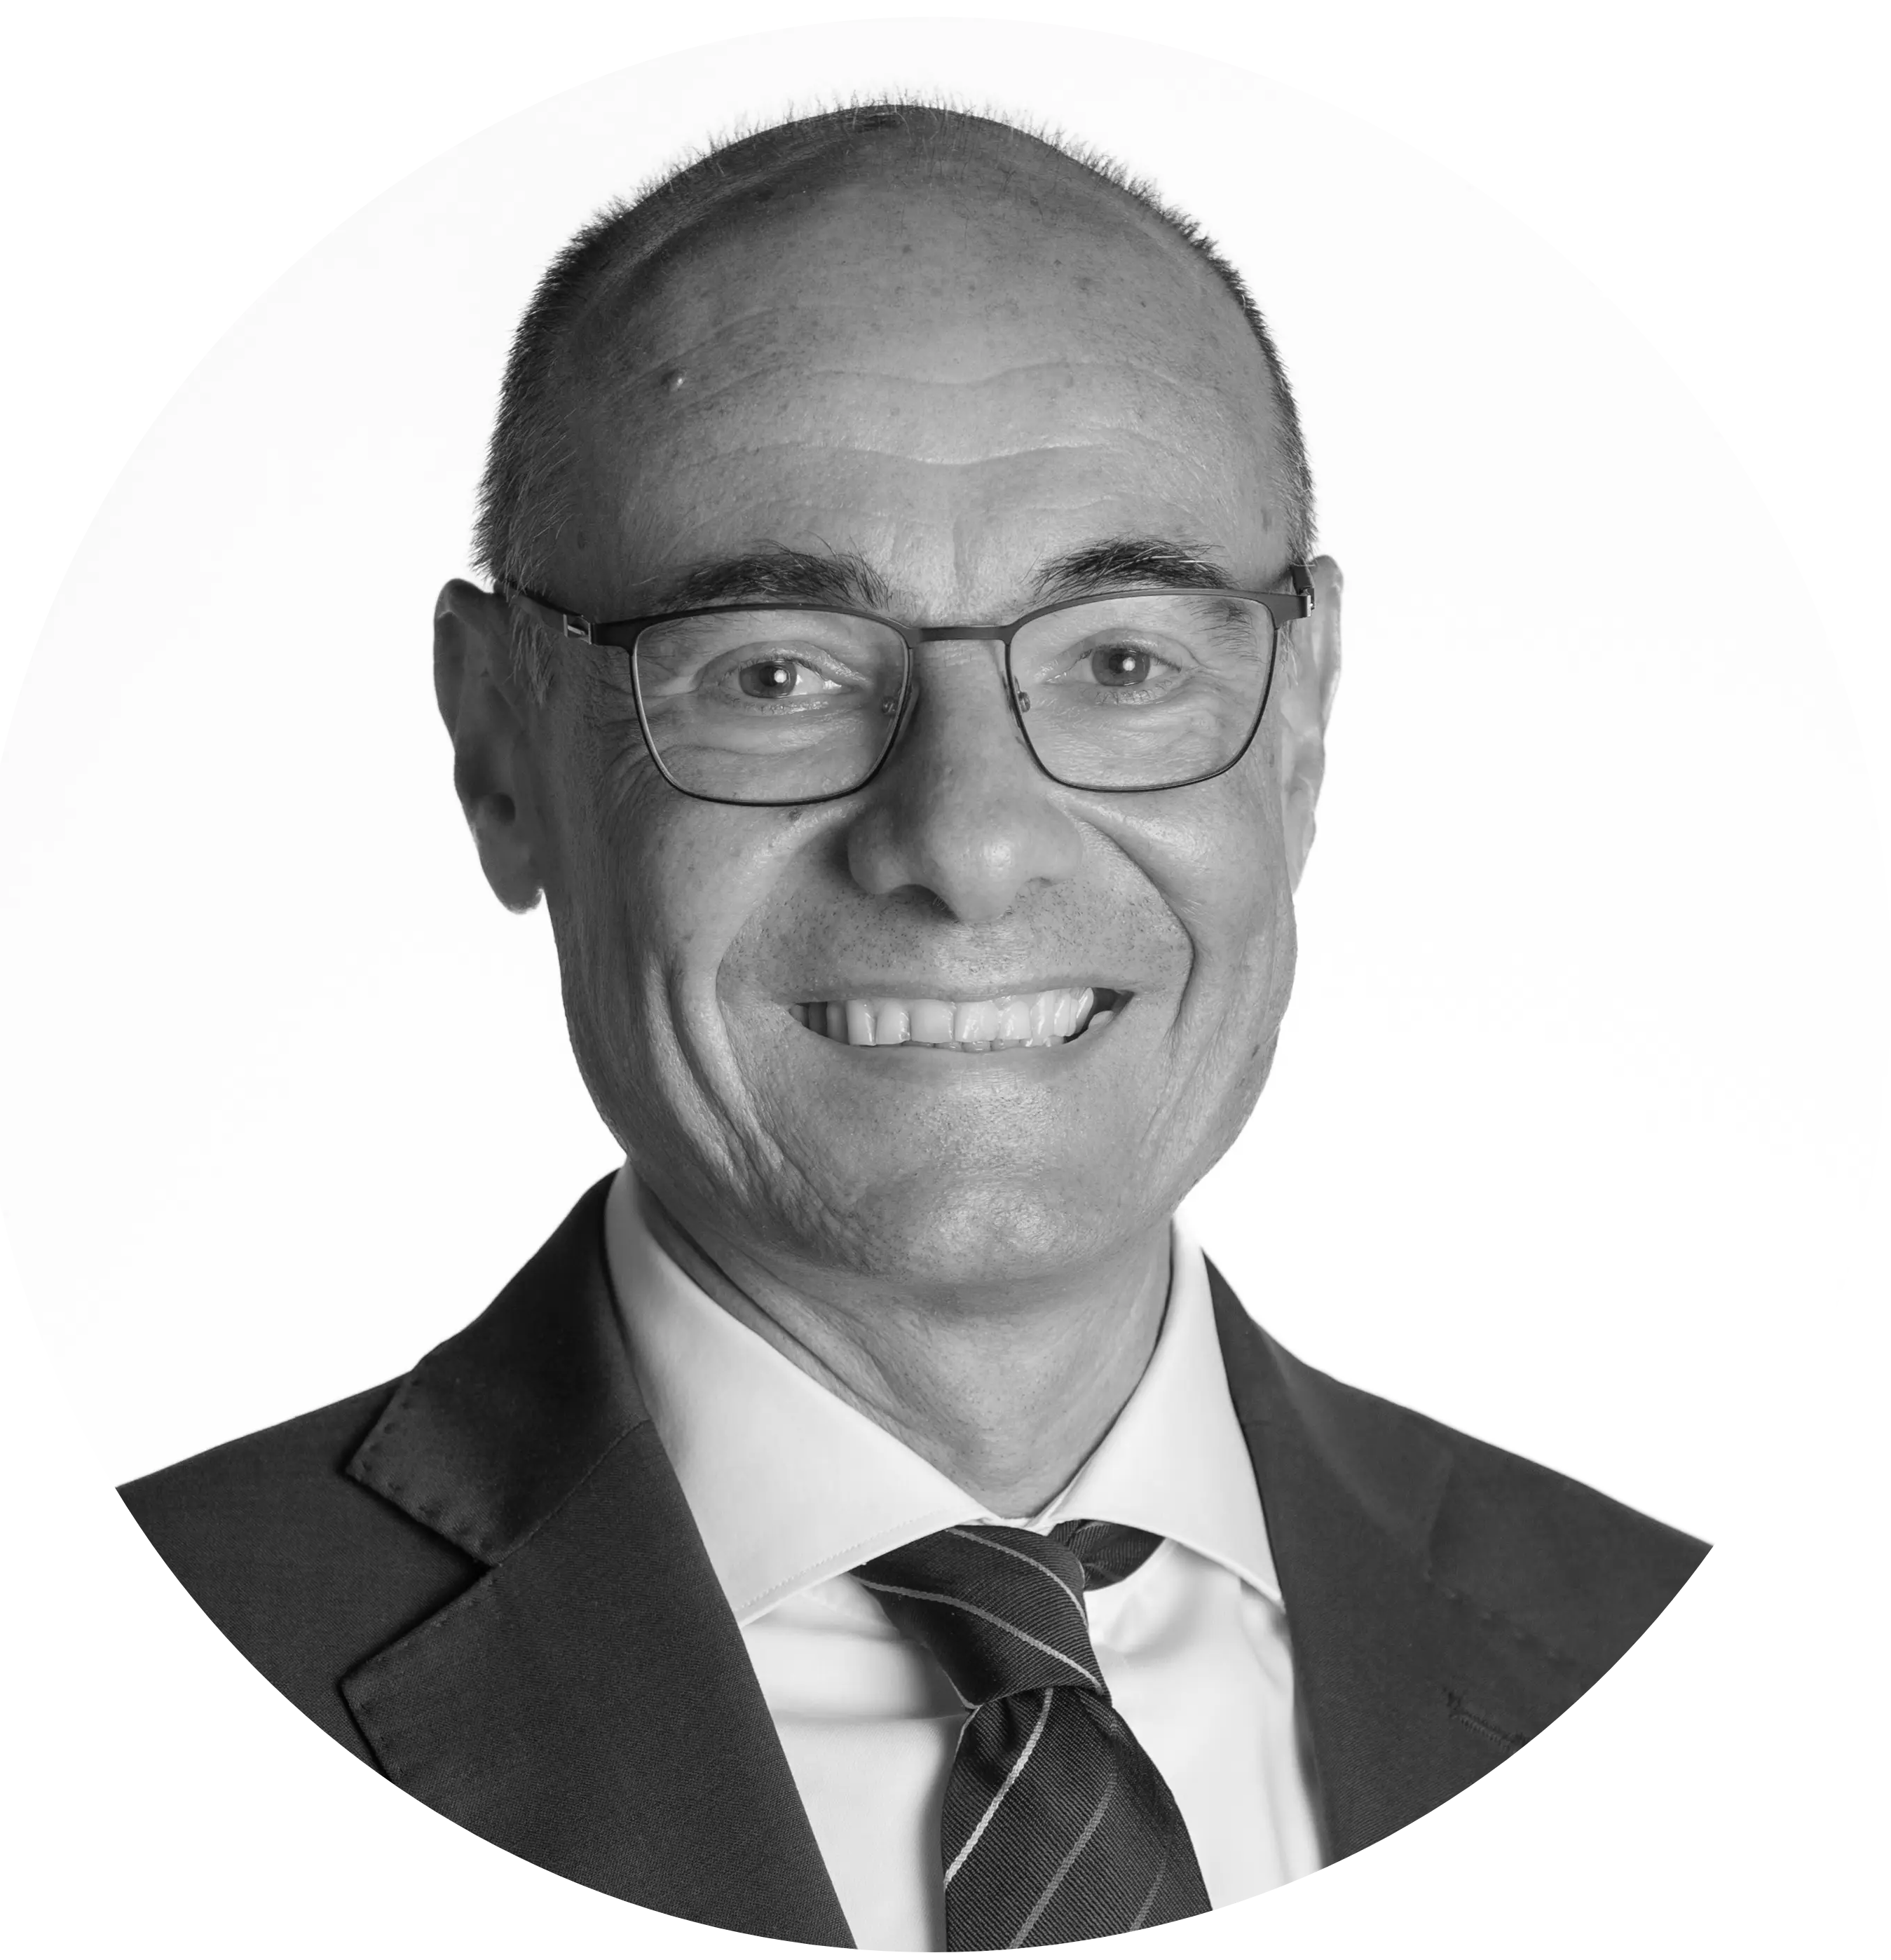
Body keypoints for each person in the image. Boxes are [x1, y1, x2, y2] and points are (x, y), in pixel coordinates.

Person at [118, 102, 1708, 1952]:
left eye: (1121, 660)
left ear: (1297, 726)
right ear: (498, 748)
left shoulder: (1621, 1624)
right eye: (776, 670)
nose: (964, 843)